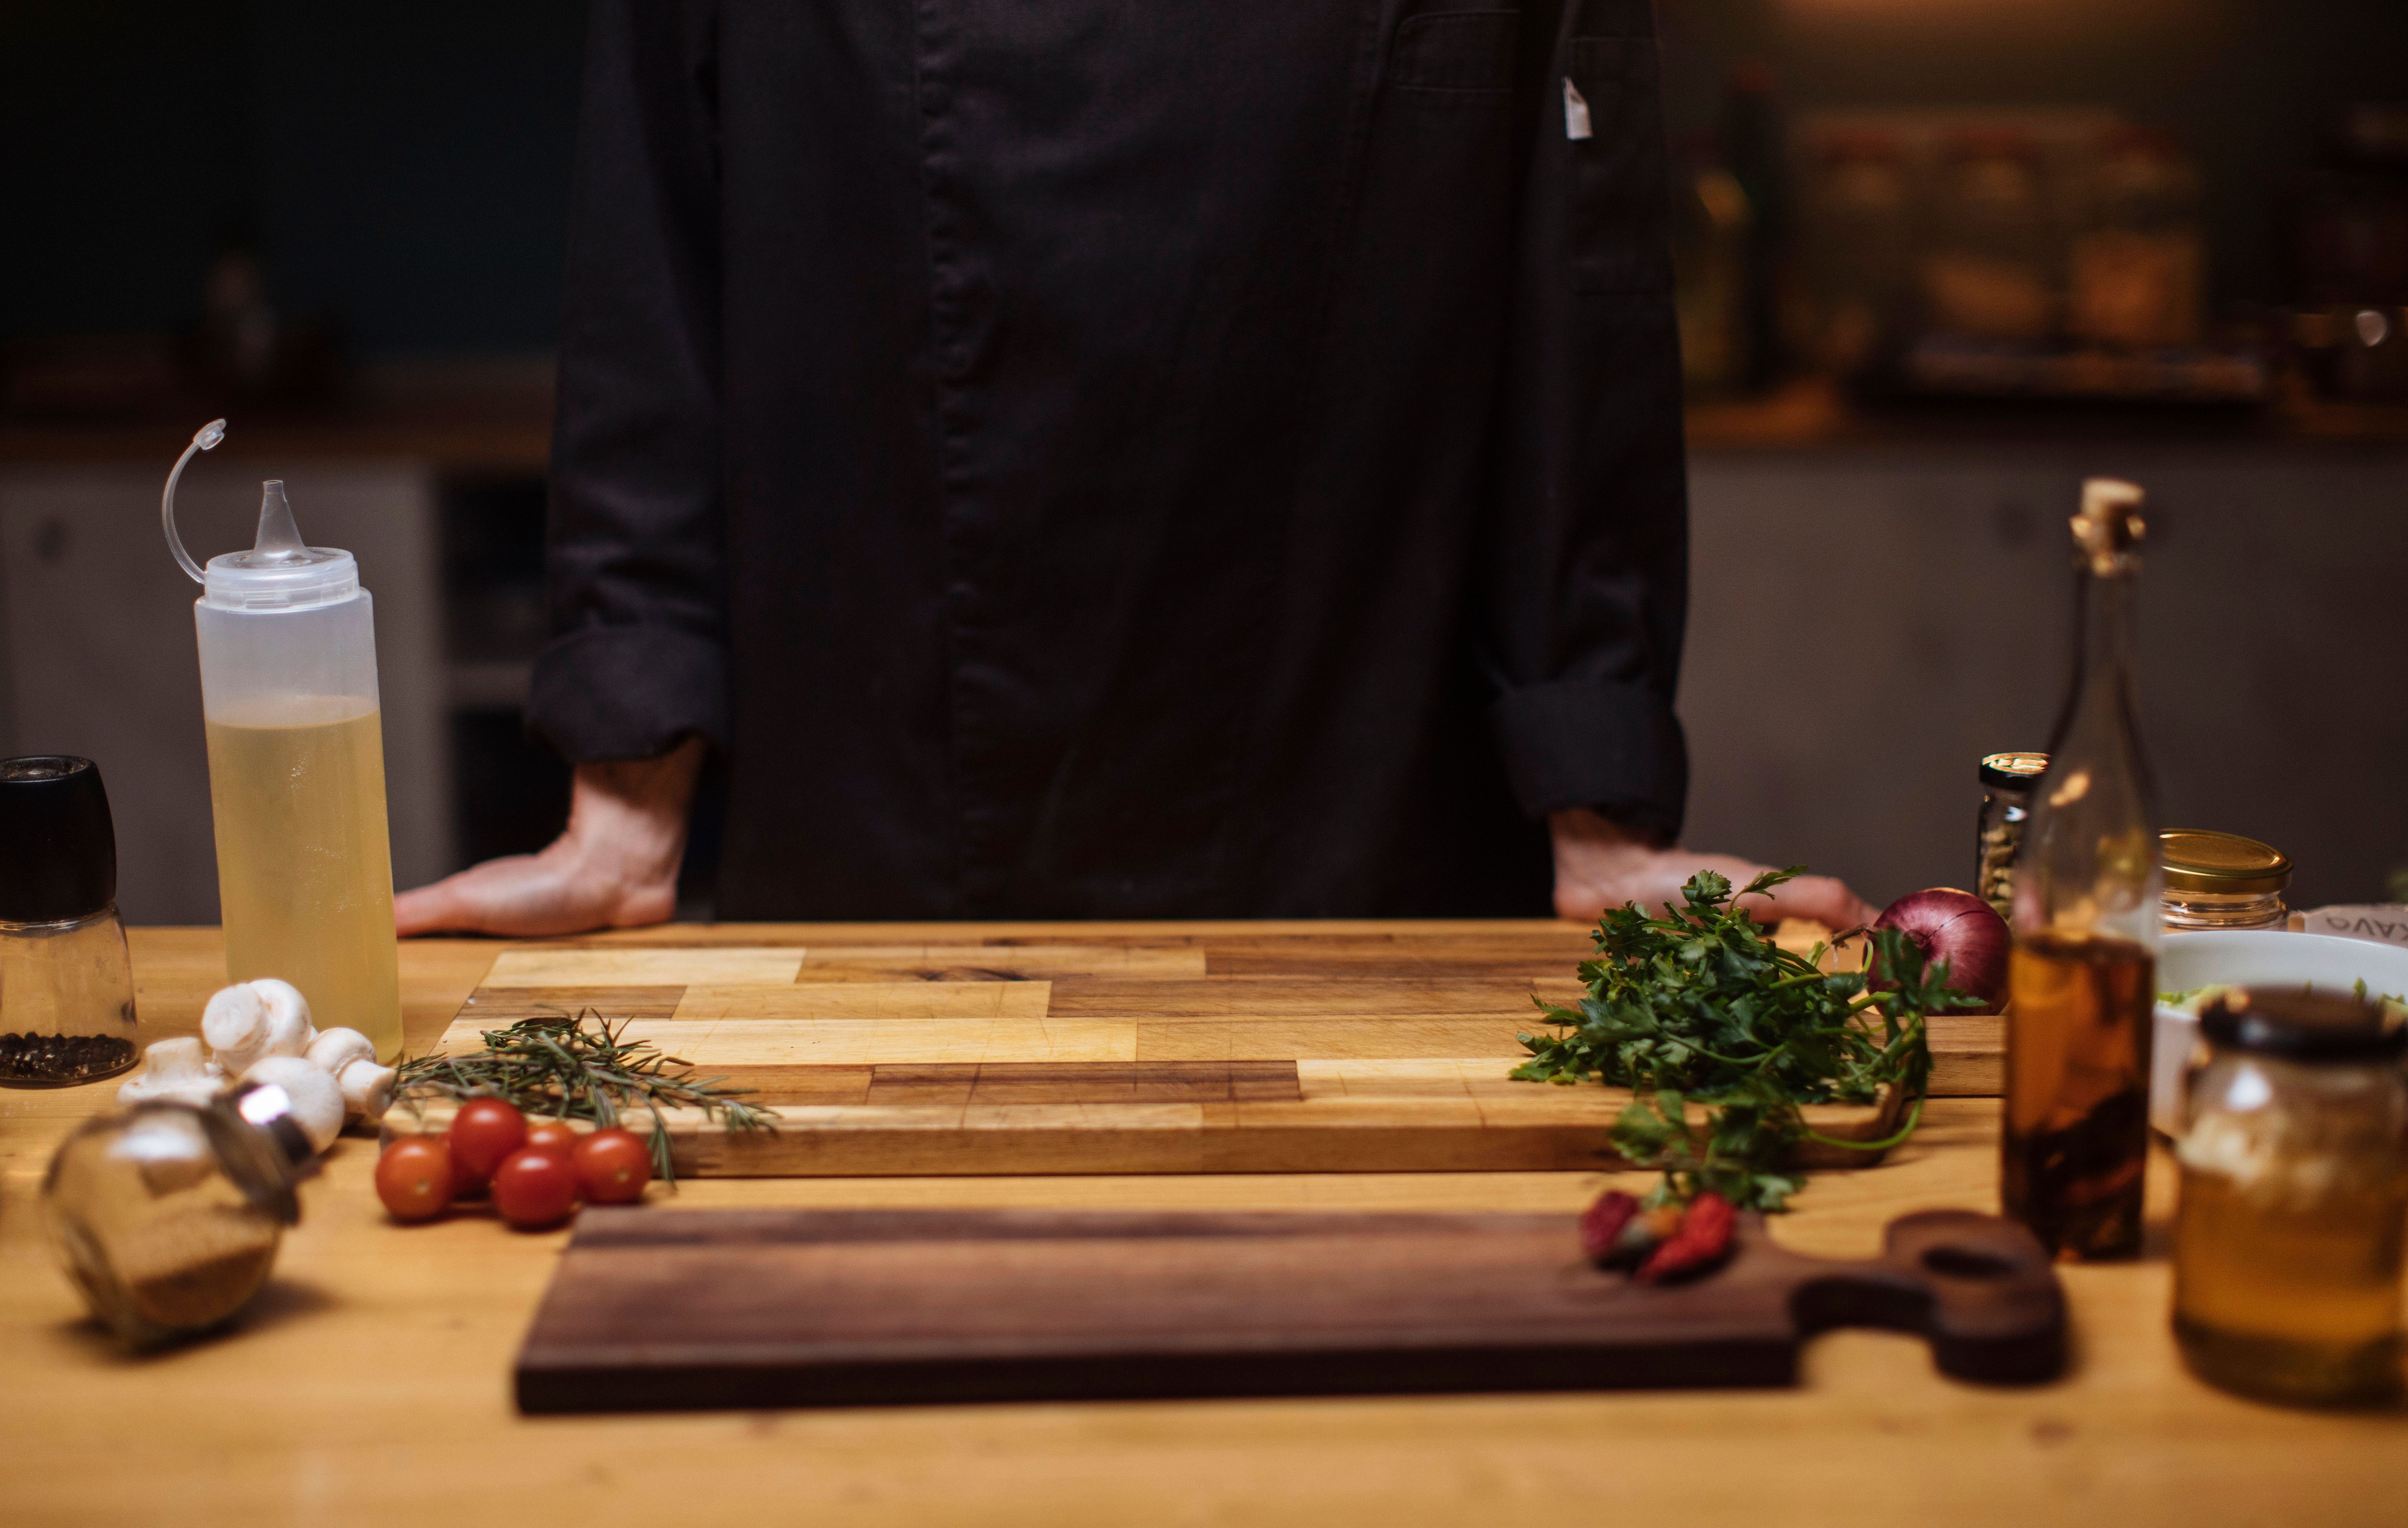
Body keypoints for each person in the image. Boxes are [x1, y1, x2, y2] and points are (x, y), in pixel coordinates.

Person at [398, 0, 1875, 938]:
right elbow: (652, 286)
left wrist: (1601, 811)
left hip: (1365, 851)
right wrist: (625, 810)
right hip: (890, 854)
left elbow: (1585, 300)